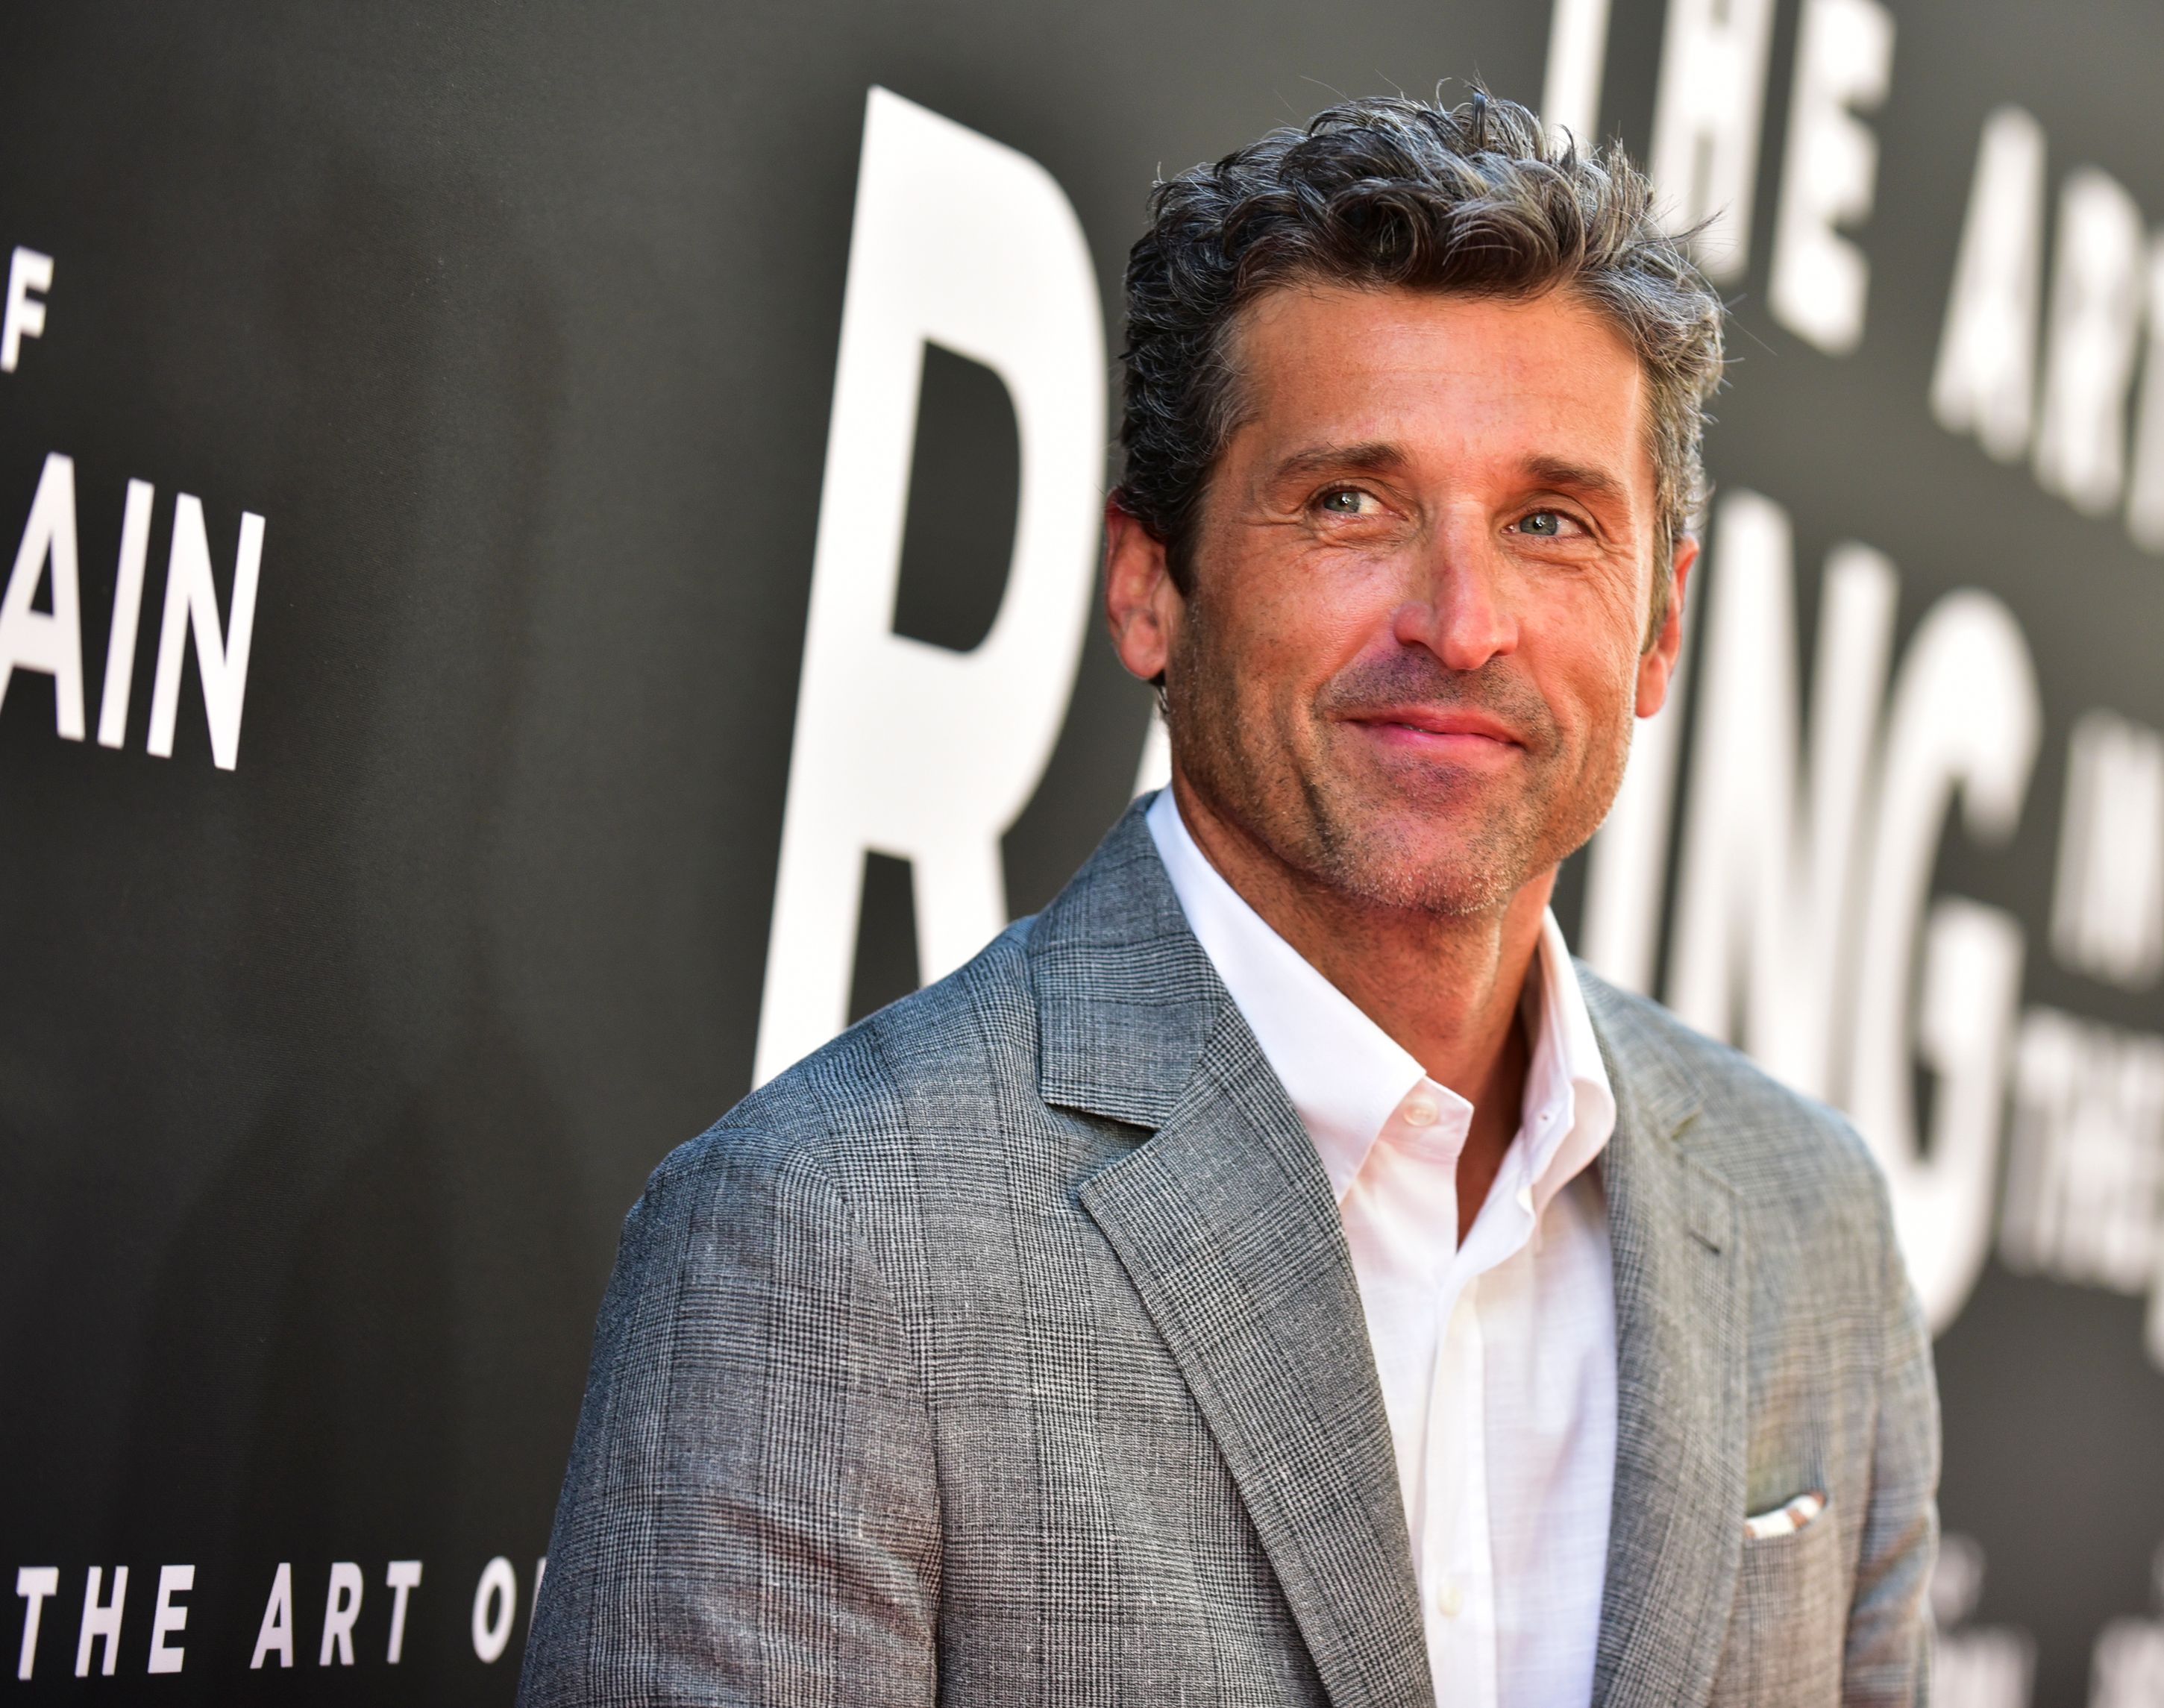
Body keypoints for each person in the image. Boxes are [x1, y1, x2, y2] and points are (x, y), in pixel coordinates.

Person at [520, 91, 1937, 1708]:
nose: (1462, 621)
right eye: (1352, 501)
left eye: (1552, 523)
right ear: (1149, 582)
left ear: (1660, 628)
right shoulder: (825, 1244)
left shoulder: (1808, 1219)